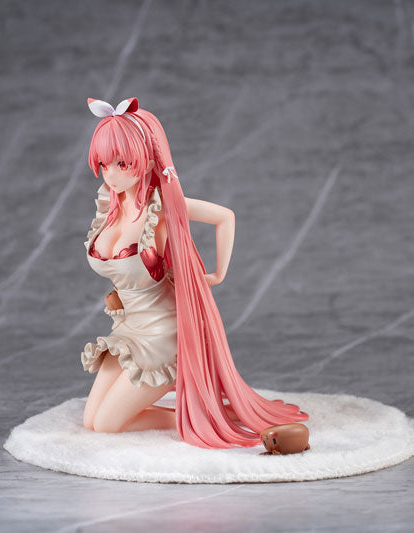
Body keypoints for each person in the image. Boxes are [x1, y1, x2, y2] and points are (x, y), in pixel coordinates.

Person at [80, 97, 308, 449]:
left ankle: (204, 417)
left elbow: (224, 217)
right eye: (103, 164)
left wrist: (217, 274)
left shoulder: (162, 207)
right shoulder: (111, 205)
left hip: (162, 336)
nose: (111, 174)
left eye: (121, 163)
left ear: (146, 161)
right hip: (128, 329)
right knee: (91, 421)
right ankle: (205, 413)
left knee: (107, 424)